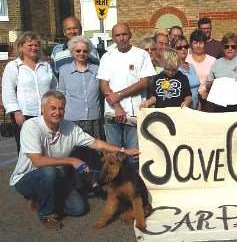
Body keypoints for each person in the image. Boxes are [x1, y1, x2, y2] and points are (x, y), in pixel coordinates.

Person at [9, 90, 140, 230]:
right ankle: (46, 214)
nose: (57, 112)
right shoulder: (31, 126)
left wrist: (124, 150)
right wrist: (72, 161)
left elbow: (97, 143)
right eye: (52, 108)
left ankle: (42, 199)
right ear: (42, 109)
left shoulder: (69, 127)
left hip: (56, 177)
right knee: (49, 172)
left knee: (79, 209)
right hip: (26, 178)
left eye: (61, 108)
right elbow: (38, 161)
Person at [97, 23, 155, 167]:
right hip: (112, 114)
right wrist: (117, 105)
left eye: (124, 34)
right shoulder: (107, 57)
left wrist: (120, 94)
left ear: (130, 35)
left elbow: (144, 82)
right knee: (114, 158)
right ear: (113, 38)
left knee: (134, 157)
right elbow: (103, 84)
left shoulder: (141, 55)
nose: (121, 38)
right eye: (118, 35)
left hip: (134, 115)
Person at [1, 31, 57, 152]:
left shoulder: (45, 66)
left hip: (45, 114)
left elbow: (54, 88)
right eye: (30, 45)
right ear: (21, 46)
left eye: (36, 45)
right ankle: (27, 172)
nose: (34, 48)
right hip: (24, 114)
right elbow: (8, 90)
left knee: (47, 148)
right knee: (27, 151)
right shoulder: (14, 66)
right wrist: (16, 112)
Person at [58, 36, 103, 139]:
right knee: (75, 153)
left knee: (94, 153)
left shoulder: (97, 70)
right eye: (78, 51)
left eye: (85, 51)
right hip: (72, 119)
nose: (81, 53)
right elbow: (61, 95)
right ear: (72, 52)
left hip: (94, 119)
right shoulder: (64, 71)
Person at [206, 32, 237, 112]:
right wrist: (214, 83)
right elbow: (208, 84)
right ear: (223, 48)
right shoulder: (216, 63)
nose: (230, 49)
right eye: (226, 46)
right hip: (219, 106)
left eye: (233, 46)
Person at [186, 29, 216, 111]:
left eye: (201, 43)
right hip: (190, 98)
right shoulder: (186, 60)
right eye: (195, 43)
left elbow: (216, 80)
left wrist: (207, 91)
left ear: (205, 44)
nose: (198, 46)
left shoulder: (212, 60)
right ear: (191, 44)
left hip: (208, 99)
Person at [171, 35, 200, 110]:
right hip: (182, 110)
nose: (183, 49)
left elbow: (196, 90)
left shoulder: (191, 66)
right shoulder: (172, 69)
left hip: (195, 110)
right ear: (173, 49)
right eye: (179, 48)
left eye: (186, 46)